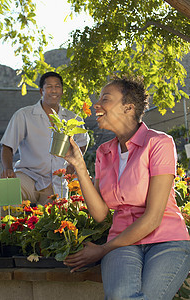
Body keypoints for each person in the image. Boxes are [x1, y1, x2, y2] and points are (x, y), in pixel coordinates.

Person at [63, 76, 190, 300]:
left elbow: (153, 218)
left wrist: (102, 250)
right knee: (121, 295)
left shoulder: (159, 143)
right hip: (122, 243)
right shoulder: (103, 152)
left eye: (106, 99)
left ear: (128, 107)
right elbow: (101, 214)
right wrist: (80, 168)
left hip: (167, 241)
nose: (97, 104)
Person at [0, 71, 90, 205]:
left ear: (62, 91)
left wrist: (73, 164)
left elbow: (83, 142)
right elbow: (7, 145)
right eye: (49, 86)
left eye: (57, 86)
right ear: (41, 91)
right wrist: (8, 169)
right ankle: (2, 225)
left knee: (59, 219)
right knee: (6, 189)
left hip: (58, 181)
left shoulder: (73, 118)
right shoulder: (24, 115)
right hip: (29, 176)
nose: (53, 90)